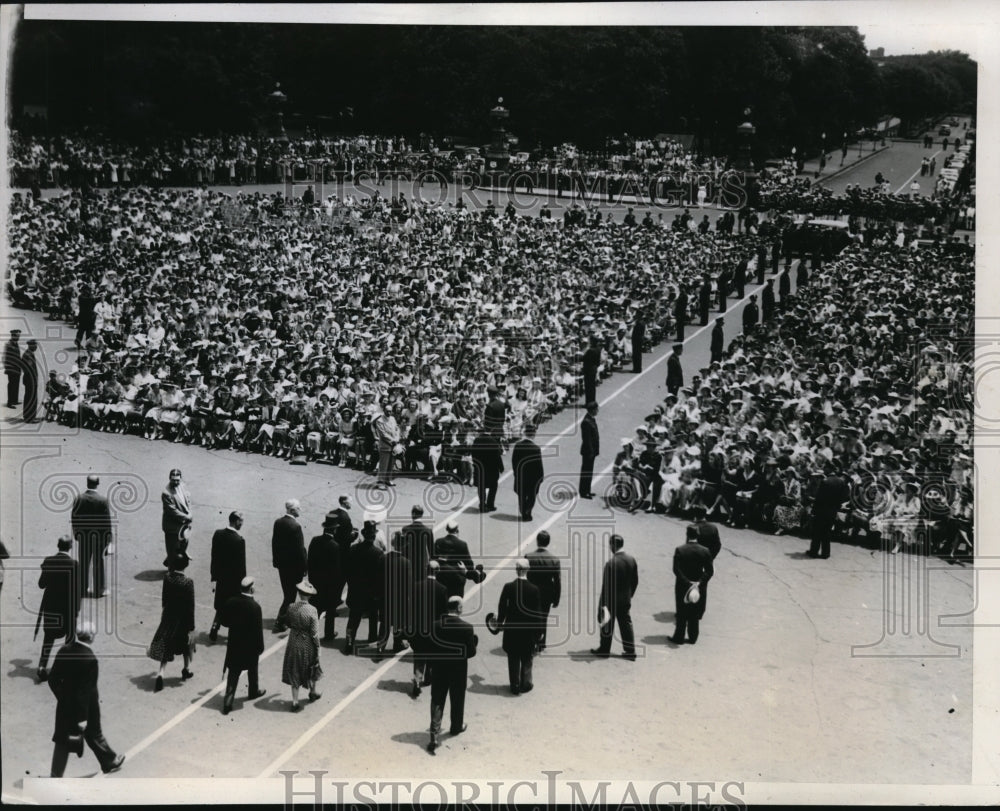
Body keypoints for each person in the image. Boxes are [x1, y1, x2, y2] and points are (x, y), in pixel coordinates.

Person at [48, 621, 125, 777]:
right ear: (91, 636)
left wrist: (63, 698)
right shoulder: (90, 659)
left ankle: (55, 775)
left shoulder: (64, 650)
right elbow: (85, 691)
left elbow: (53, 679)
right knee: (94, 733)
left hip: (65, 706)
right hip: (87, 707)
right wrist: (82, 717)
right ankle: (109, 761)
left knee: (62, 739)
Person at [428, 595, 478, 754]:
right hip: (457, 670)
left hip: (438, 669)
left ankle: (434, 734)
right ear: (459, 608)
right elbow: (470, 652)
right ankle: (456, 726)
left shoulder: (435, 625)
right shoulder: (467, 628)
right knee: (457, 699)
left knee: (437, 699)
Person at [35, 535, 82, 682]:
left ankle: (42, 666)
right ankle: (67, 670)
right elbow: (77, 591)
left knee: (48, 638)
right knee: (69, 640)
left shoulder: (49, 562)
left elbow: (41, 584)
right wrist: (76, 611)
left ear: (58, 546)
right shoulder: (74, 565)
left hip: (51, 608)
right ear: (70, 547)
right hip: (67, 610)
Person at [148, 551, 196, 692]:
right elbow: (190, 606)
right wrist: (191, 627)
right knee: (186, 646)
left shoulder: (167, 578)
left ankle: (161, 673)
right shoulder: (188, 582)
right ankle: (186, 669)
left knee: (167, 647)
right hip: (182, 620)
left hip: (169, 617)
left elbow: (164, 598)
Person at [219, 576, 267, 714]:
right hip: (250, 646)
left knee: (233, 673)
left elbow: (225, 622)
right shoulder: (255, 607)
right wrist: (260, 647)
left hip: (235, 644)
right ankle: (253, 691)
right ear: (251, 589)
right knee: (253, 668)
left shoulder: (231, 602)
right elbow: (258, 631)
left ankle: (228, 701)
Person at [496, 558, 542, 695]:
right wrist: (539, 632)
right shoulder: (534, 589)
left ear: (516, 570)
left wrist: (499, 624)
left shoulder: (508, 587)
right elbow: (538, 613)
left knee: (513, 657)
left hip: (512, 629)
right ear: (528, 570)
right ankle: (526, 683)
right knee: (527, 658)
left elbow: (502, 607)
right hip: (528, 631)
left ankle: (514, 684)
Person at [591, 534, 638, 659]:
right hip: (625, 599)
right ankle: (630, 651)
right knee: (626, 624)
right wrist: (629, 595)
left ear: (613, 545)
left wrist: (602, 605)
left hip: (611, 601)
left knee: (607, 625)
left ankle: (604, 650)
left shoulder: (611, 563)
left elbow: (606, 587)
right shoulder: (631, 560)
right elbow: (635, 581)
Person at [281, 580, 322, 711]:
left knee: (294, 670)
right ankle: (313, 692)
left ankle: (295, 701)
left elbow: (287, 622)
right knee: (313, 666)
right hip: (307, 643)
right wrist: (318, 647)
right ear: (309, 595)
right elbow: (314, 633)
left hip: (293, 641)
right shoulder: (312, 610)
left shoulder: (291, 607)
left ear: (299, 593)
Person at [344, 523, 385, 655]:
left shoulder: (353, 549)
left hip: (356, 589)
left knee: (353, 617)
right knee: (373, 615)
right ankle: (372, 637)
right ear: (374, 538)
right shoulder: (378, 553)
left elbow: (348, 570)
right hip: (371, 592)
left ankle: (349, 641)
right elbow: (380, 576)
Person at [671, 526, 715, 645]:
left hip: (683, 585)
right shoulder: (705, 550)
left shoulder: (680, 549)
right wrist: (699, 582)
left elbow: (676, 570)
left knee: (681, 611)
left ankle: (679, 637)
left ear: (687, 534)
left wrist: (687, 582)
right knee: (695, 612)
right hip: (699, 586)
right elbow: (709, 571)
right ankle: (693, 637)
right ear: (698, 535)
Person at [71, 474, 113, 597]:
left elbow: (74, 517)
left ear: (87, 483)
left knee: (83, 562)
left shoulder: (79, 498)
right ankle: (100, 589)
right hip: (99, 539)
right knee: (98, 562)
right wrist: (108, 540)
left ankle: (83, 588)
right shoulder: (103, 500)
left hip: (83, 537)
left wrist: (77, 533)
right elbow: (107, 522)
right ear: (97, 484)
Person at [411, 560, 448, 698]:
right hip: (434, 629)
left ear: (426, 570)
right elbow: (443, 613)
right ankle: (429, 677)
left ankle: (417, 679)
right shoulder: (442, 589)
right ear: (437, 571)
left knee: (419, 656)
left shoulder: (416, 586)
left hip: (419, 628)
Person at [209, 511, 247, 641]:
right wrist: (244, 583)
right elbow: (241, 566)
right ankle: (234, 634)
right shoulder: (239, 540)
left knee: (220, 605)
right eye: (241, 521)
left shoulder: (218, 534)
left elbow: (214, 556)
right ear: (237, 521)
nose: (242, 524)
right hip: (234, 581)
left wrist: (215, 575)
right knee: (235, 607)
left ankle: (214, 627)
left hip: (221, 578)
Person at [307, 511, 344, 642]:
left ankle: (310, 632)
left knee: (315, 609)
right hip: (329, 584)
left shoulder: (315, 540)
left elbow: (309, 561)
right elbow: (336, 570)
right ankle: (329, 634)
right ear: (334, 529)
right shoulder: (335, 546)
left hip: (316, 581)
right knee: (330, 610)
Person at [272, 499, 307, 632]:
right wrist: (304, 567)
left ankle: (286, 619)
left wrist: (276, 562)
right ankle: (280, 620)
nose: (300, 510)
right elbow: (300, 550)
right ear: (292, 510)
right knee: (290, 596)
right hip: (294, 567)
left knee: (288, 593)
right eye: (298, 508)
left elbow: (275, 543)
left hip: (282, 566)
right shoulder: (295, 526)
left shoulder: (278, 522)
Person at [526, 530, 561, 651]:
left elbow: (524, 575)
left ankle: (531, 640)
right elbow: (557, 581)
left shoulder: (528, 556)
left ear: (537, 541)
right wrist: (556, 598)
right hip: (547, 593)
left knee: (530, 616)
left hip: (531, 592)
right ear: (548, 542)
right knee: (543, 618)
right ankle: (541, 642)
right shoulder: (555, 560)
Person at [378, 531, 413, 654]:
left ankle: (380, 646)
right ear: (403, 545)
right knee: (398, 624)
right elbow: (408, 584)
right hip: (400, 598)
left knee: (384, 623)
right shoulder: (406, 562)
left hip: (385, 596)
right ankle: (397, 644)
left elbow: (378, 578)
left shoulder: (383, 558)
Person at [808, 465, 851, 559]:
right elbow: (842, 498)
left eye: (826, 469)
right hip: (832, 511)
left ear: (829, 470)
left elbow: (819, 498)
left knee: (817, 532)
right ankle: (825, 553)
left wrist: (814, 510)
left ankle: (813, 551)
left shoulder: (825, 481)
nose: (824, 470)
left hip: (821, 510)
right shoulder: (841, 482)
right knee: (827, 532)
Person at [433, 521, 484, 598]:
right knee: (455, 601)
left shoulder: (438, 541)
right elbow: (469, 564)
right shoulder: (462, 544)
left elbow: (433, 558)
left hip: (441, 576)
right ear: (457, 530)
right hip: (456, 578)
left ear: (447, 529)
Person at [512, 423, 544, 521]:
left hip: (521, 476)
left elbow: (514, 461)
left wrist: (516, 473)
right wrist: (541, 477)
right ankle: (527, 512)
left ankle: (523, 511)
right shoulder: (536, 449)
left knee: (521, 496)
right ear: (533, 434)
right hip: (532, 478)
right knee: (532, 496)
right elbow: (539, 465)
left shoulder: (518, 446)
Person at [161, 468, 193, 566]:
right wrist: (186, 517)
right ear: (169, 478)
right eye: (173, 480)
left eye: (177, 480)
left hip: (184, 522)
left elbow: (188, 500)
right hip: (172, 525)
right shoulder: (166, 493)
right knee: (172, 547)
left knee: (184, 540)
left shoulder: (182, 486)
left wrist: (190, 512)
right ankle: (171, 567)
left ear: (181, 479)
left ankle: (181, 553)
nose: (175, 482)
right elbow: (172, 511)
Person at [470, 430, 503, 512]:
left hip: (480, 468)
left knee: (481, 487)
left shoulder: (476, 441)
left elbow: (473, 453)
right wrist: (501, 467)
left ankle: (482, 504)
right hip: (491, 468)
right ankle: (490, 504)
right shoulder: (493, 441)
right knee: (493, 487)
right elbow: (497, 456)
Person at [400, 504, 434, 580]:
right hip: (422, 564)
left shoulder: (405, 529)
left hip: (408, 562)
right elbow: (431, 551)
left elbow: (401, 547)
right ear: (421, 515)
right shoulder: (428, 530)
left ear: (413, 514)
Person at [579, 401, 600, 499]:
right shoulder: (586, 422)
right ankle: (583, 491)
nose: (597, 411)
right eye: (596, 409)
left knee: (589, 471)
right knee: (586, 471)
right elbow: (587, 439)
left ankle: (587, 490)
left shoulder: (591, 419)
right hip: (588, 451)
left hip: (591, 451)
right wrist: (591, 451)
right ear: (592, 410)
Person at [20, 338, 39, 422]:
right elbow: (28, 368)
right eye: (35, 345)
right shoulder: (28, 355)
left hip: (30, 379)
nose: (36, 347)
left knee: (29, 397)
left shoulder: (29, 353)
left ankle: (29, 416)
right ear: (31, 345)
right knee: (31, 398)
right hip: (30, 380)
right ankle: (29, 417)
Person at [581, 335, 601, 405]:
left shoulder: (590, 350)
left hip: (588, 370)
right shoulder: (598, 349)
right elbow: (598, 362)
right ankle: (592, 401)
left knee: (588, 387)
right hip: (594, 369)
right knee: (592, 387)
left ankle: (588, 402)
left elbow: (584, 359)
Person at [4, 329, 21, 408]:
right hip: (11, 368)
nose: (18, 337)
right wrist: (7, 367)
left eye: (19, 336)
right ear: (13, 336)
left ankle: (15, 400)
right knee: (11, 385)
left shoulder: (16, 343)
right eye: (17, 336)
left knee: (16, 384)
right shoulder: (8, 344)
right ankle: (9, 402)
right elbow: (5, 357)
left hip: (17, 368)